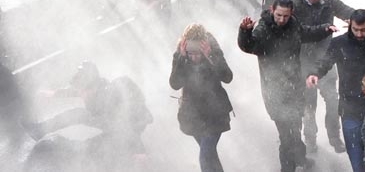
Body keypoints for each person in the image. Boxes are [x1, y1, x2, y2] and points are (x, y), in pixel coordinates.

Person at [237, 0, 338, 172]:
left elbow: (307, 32)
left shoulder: (293, 25)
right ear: (272, 10)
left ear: (291, 14)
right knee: (286, 136)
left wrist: (325, 29)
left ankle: (301, 158)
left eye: (285, 16)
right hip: (274, 91)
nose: (282, 20)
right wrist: (244, 31)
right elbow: (249, 46)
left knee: (295, 129)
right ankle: (288, 168)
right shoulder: (263, 28)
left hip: (295, 87)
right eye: (278, 15)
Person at [23, 61, 153, 168]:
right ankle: (40, 130)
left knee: (98, 145)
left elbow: (125, 127)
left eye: (82, 91)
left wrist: (140, 151)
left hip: (130, 125)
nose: (81, 95)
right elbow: (72, 91)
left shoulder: (107, 99)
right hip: (113, 123)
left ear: (92, 88)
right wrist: (51, 94)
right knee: (82, 117)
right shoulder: (92, 88)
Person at [307, 9, 365, 172]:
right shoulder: (339, 43)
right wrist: (314, 73)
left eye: (364, 30)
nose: (359, 34)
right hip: (350, 105)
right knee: (357, 156)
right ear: (349, 25)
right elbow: (325, 61)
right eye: (356, 29)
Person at [294, 0, 355, 154]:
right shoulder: (295, 4)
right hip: (304, 61)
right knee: (308, 105)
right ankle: (310, 140)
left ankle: (334, 137)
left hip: (326, 59)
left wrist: (357, 20)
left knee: (333, 101)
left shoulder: (327, 1)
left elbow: (347, 10)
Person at [169, 23, 233, 172]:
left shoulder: (213, 51)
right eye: (191, 53)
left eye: (198, 53)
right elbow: (175, 84)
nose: (195, 57)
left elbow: (228, 77)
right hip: (193, 115)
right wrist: (182, 59)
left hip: (215, 113)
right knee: (210, 156)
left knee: (205, 154)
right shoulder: (181, 55)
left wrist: (210, 56)